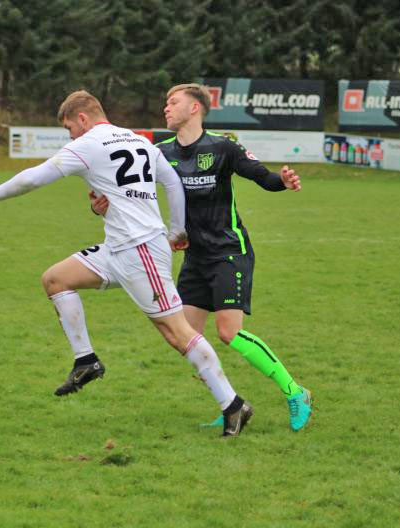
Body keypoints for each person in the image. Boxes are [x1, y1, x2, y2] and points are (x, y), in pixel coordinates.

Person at [0, 90, 253, 437]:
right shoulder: (139, 140)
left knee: (177, 333)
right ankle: (86, 361)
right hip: (118, 248)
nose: (71, 136)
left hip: (140, 250)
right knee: (55, 280)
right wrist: (176, 229)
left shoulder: (89, 144)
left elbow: (33, 177)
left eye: (71, 127)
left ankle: (233, 405)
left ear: (83, 119)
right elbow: (172, 181)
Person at [91, 83, 312, 432]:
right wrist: (102, 204)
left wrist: (282, 181)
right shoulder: (160, 151)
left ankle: (295, 391)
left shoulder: (222, 146)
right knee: (188, 337)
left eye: (173, 101)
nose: (166, 107)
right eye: (165, 101)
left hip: (228, 251)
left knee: (229, 333)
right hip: (193, 255)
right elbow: (128, 188)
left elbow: (262, 176)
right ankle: (231, 405)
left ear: (195, 108)